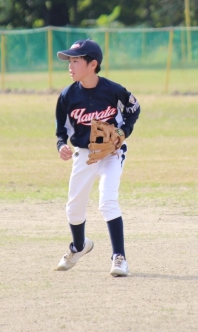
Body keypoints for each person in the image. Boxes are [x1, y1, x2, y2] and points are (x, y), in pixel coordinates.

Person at [54, 39, 140, 277]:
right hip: (83, 154)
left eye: (76, 61)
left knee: (107, 201)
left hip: (112, 154)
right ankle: (79, 246)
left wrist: (123, 132)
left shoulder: (113, 90)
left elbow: (134, 109)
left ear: (93, 64)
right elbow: (61, 129)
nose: (70, 66)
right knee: (74, 209)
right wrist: (61, 145)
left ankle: (119, 257)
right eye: (69, 61)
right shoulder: (67, 96)